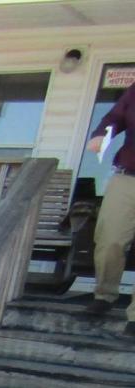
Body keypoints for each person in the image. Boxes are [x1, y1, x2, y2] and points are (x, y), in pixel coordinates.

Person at [87, 82, 135, 338]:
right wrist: (101, 134)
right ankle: (105, 295)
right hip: (127, 177)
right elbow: (115, 116)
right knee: (110, 240)